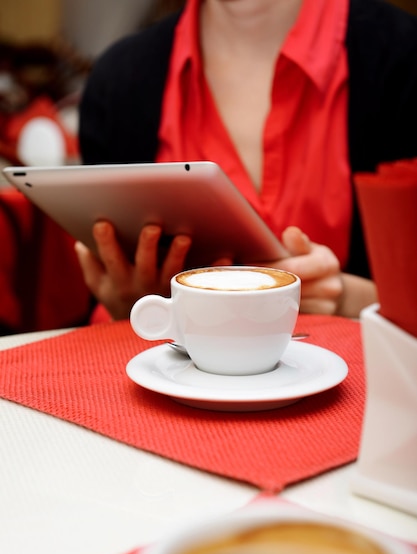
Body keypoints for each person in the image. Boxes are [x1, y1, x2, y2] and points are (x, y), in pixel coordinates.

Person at [74, 0, 417, 322]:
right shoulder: (117, 82)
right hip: (166, 372)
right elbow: (112, 293)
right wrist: (127, 304)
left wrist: (349, 298)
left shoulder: (403, 56)